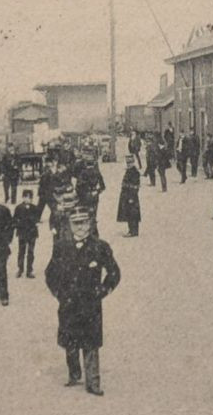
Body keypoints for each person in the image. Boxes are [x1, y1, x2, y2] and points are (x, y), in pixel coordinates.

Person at [45, 209, 120, 396]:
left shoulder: (100, 247)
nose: (80, 227)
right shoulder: (61, 247)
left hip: (90, 304)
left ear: (90, 224)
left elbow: (114, 273)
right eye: (76, 223)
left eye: (84, 222)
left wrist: (102, 291)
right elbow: (50, 273)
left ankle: (93, 381)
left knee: (91, 342)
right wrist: (58, 293)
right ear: (70, 225)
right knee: (69, 340)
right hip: (68, 303)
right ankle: (74, 373)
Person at [13, 187, 42, 278]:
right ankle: (20, 269)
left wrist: (35, 222)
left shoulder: (35, 208)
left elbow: (37, 218)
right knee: (21, 251)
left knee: (31, 251)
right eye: (26, 197)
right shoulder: (18, 208)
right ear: (23, 197)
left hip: (32, 232)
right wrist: (18, 225)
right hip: (22, 232)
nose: (28, 199)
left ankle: (29, 270)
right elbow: (14, 219)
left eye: (30, 197)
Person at [116, 155, 142, 237]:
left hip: (131, 196)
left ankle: (133, 231)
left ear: (133, 162)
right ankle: (131, 230)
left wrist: (131, 197)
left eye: (130, 162)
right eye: (127, 163)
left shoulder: (134, 172)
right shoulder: (129, 170)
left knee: (133, 214)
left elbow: (135, 186)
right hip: (127, 195)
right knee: (129, 213)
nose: (128, 164)